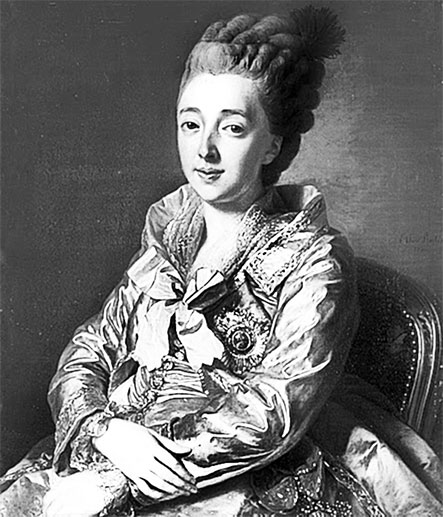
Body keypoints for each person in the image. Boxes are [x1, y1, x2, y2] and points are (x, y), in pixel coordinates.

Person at [0, 6, 441, 517]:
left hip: (240, 465)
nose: (204, 149)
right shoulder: (170, 236)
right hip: (128, 438)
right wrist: (104, 431)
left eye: (231, 128)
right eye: (190, 124)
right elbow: (91, 347)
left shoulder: (315, 260)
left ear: (273, 144)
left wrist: (120, 477)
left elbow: (274, 410)